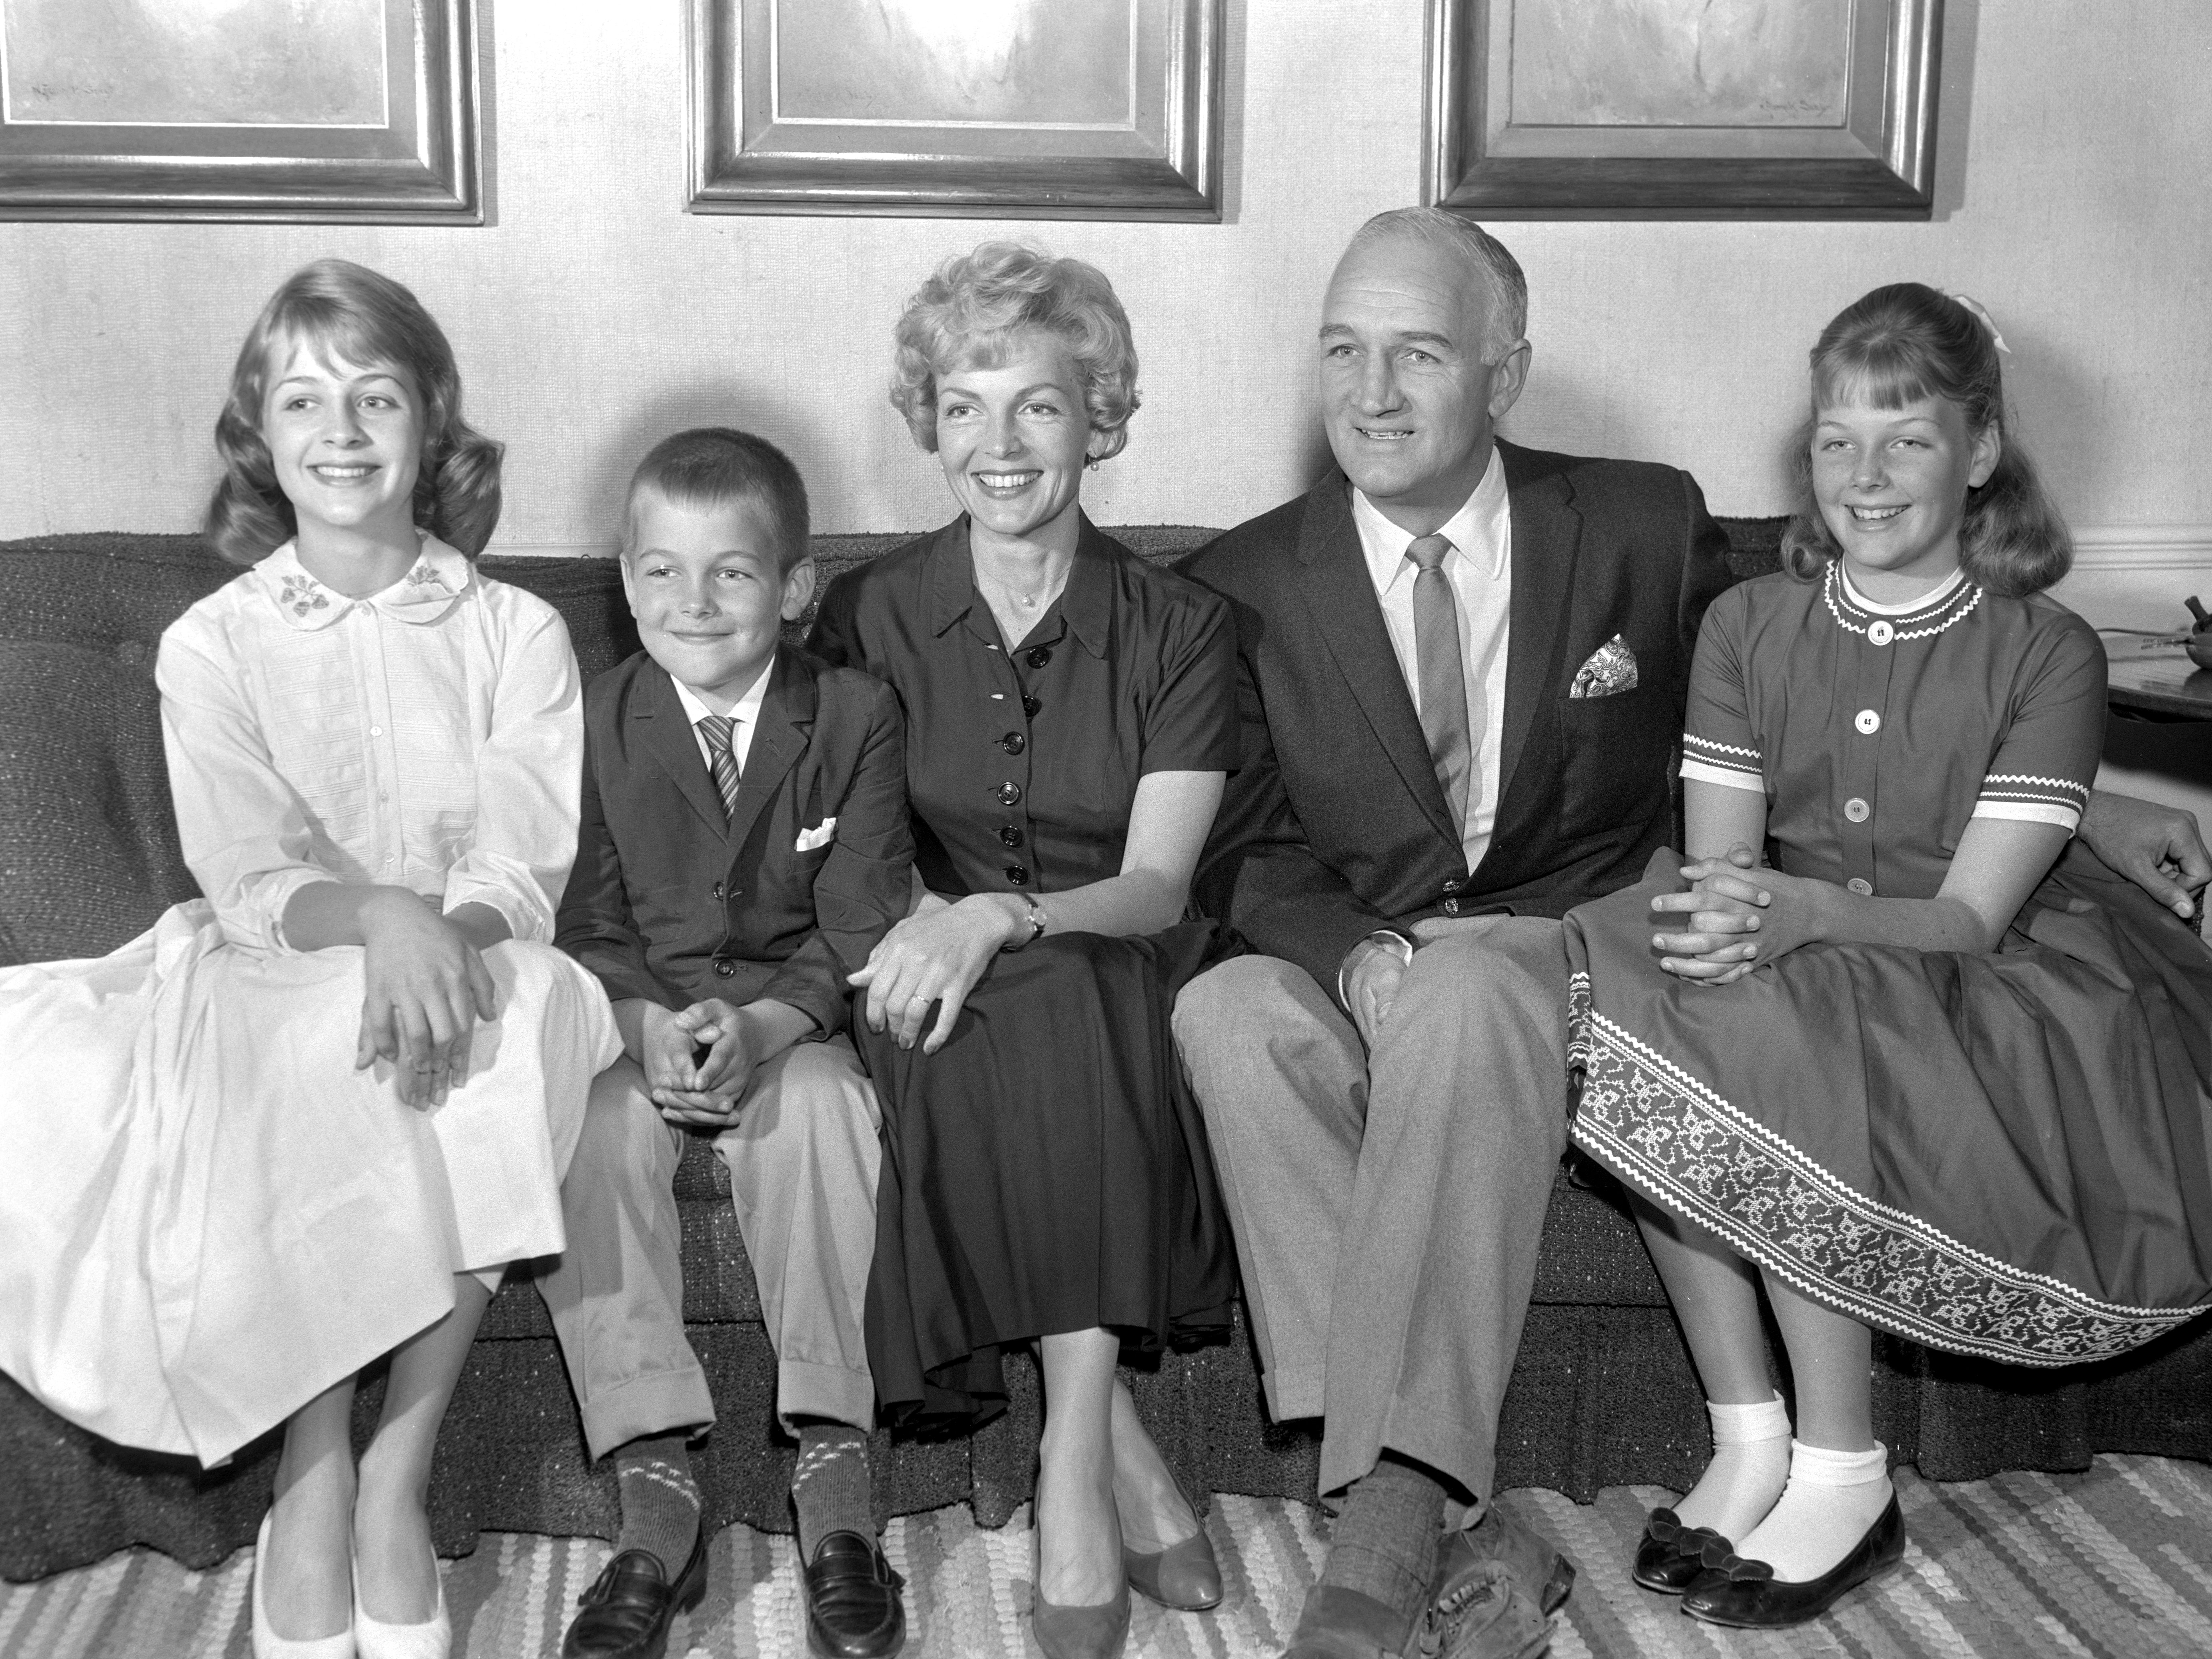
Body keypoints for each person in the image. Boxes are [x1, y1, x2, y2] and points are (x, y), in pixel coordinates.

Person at [1171, 210, 2212, 1659]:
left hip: (1573, 951)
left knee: (1474, 987)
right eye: (1343, 349)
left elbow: (1847, 688)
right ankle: (1462, 1528)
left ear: (1506, 372)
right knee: (1223, 1017)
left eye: (1418, 351)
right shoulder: (1236, 580)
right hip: (1366, 946)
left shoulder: (1646, 525)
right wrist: (1350, 945)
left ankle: (1391, 1522)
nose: (1372, 392)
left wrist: (2067, 808)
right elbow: (1247, 843)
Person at [1561, 283, 2212, 1629]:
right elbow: (1729, 866)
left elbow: (1968, 922)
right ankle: (1747, 1433)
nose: (1865, 476)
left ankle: (1842, 1465)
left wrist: (1788, 920)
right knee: (1642, 967)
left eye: (1906, 439)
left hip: (1993, 980)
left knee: (1799, 1007)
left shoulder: (2050, 651)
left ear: (1980, 453)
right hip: (1807, 941)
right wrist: (1744, 917)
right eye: (1837, 439)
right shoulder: (1747, 626)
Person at [0, 258, 621, 1659]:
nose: (342, 430)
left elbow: (521, 861)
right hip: (277, 956)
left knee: (521, 1021)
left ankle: (394, 1470)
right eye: (305, 401)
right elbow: (252, 872)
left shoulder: (514, 630)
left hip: (480, 948)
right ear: (261, 441)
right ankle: (312, 1466)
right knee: (311, 1036)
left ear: (431, 420)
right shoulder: (211, 641)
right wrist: (380, 923)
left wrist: (443, 933)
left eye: (376, 396)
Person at [807, 241, 1238, 1659]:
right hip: (925, 971)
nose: (1001, 444)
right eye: (967, 407)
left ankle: (1065, 1458)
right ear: (930, 422)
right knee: (971, 1016)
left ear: (1098, 418)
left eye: (1038, 407)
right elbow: (857, 863)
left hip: (1109, 954)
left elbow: (1161, 885)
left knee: (1068, 991)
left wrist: (1005, 912)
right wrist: (938, 936)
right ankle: (1112, 1439)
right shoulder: (869, 615)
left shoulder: (1182, 626)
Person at [543, 427, 913, 1659]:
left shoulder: (853, 715)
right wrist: (642, 1022)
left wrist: (763, 1023)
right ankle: (659, 1493)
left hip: (789, 1019)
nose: (692, 603)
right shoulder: (594, 716)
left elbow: (859, 915)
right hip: (635, 1018)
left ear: (796, 589)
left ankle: (838, 1478)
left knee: (821, 1115)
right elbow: (585, 915)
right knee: (585, 1127)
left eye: (733, 574)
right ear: (624, 576)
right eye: (661, 572)